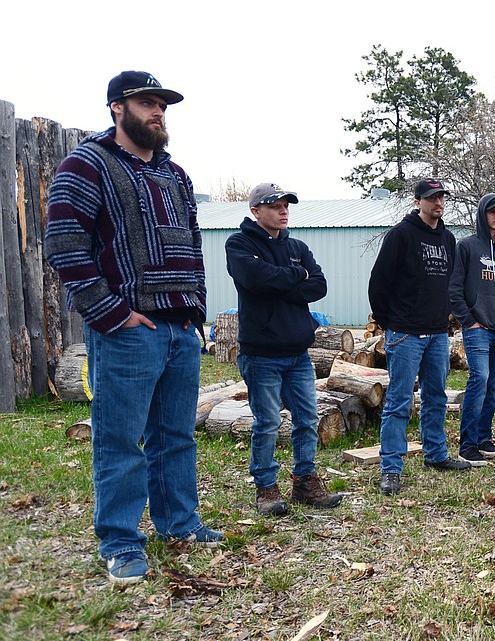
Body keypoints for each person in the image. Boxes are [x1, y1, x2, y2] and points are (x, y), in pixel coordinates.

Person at [45, 70, 223, 585]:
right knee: (119, 439)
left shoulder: (175, 175)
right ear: (116, 109)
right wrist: (113, 315)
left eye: (162, 104)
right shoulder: (87, 164)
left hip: (179, 328)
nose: (158, 112)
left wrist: (196, 312)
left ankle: (180, 525)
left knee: (175, 436)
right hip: (127, 330)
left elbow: (191, 242)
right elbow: (64, 244)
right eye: (146, 102)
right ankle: (121, 542)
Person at [226, 183, 341, 515]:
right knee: (267, 423)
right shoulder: (239, 244)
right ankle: (266, 487)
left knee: (307, 419)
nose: (283, 210)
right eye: (275, 205)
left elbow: (317, 285)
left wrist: (280, 282)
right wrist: (295, 278)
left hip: (297, 353)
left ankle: (305, 482)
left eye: (286, 205)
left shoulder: (298, 246)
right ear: (256, 211)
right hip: (261, 354)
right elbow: (254, 279)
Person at [369, 179, 471, 495]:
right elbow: (378, 284)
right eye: (432, 198)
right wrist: (390, 323)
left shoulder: (448, 239)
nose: (439, 203)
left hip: (438, 334)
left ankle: (436, 455)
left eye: (442, 197)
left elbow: (449, 283)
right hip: (405, 334)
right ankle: (391, 468)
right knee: (399, 401)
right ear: (418, 202)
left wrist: (446, 319)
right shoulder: (401, 235)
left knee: (436, 396)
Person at [449, 193, 495, 466]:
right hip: (477, 328)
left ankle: (483, 438)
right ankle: (467, 445)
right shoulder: (466, 247)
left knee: (492, 386)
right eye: (492, 211)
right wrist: (469, 321)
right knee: (478, 380)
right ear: (483, 214)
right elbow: (454, 289)